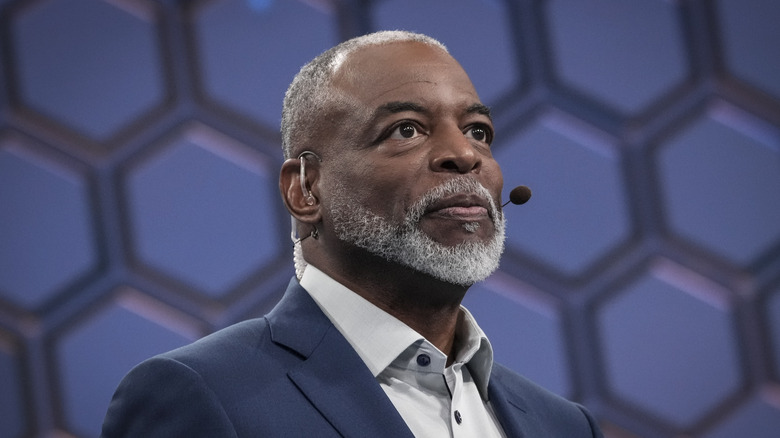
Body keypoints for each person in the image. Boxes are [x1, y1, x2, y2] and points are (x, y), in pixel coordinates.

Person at [101, 30, 603, 437]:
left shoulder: (562, 424)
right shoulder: (201, 394)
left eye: (478, 131)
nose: (466, 155)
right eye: (406, 129)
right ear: (306, 190)